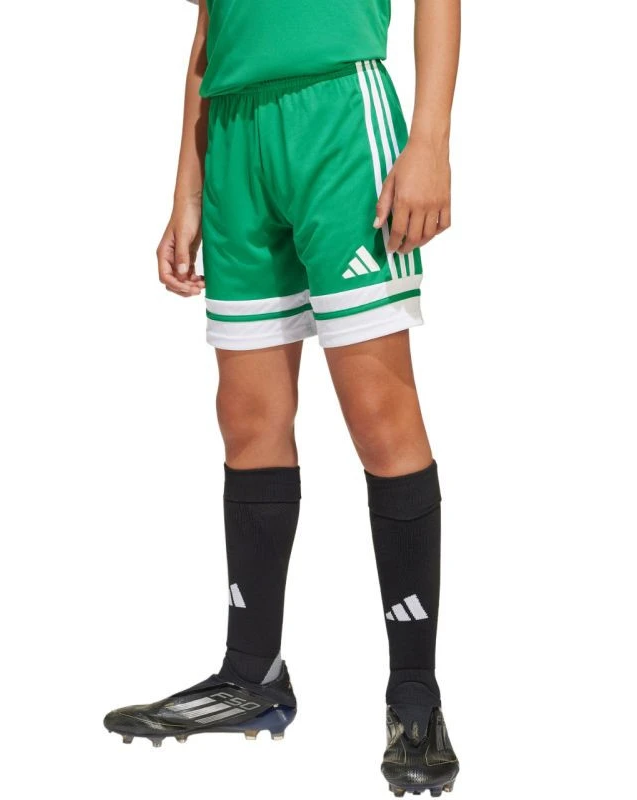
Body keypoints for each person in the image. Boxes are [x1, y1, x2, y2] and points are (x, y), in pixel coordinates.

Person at [104, 1, 461, 794]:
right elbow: (209, 30)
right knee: (247, 419)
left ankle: (414, 695)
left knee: (380, 414)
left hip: (336, 116)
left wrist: (430, 141)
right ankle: (252, 672)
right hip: (234, 132)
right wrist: (186, 188)